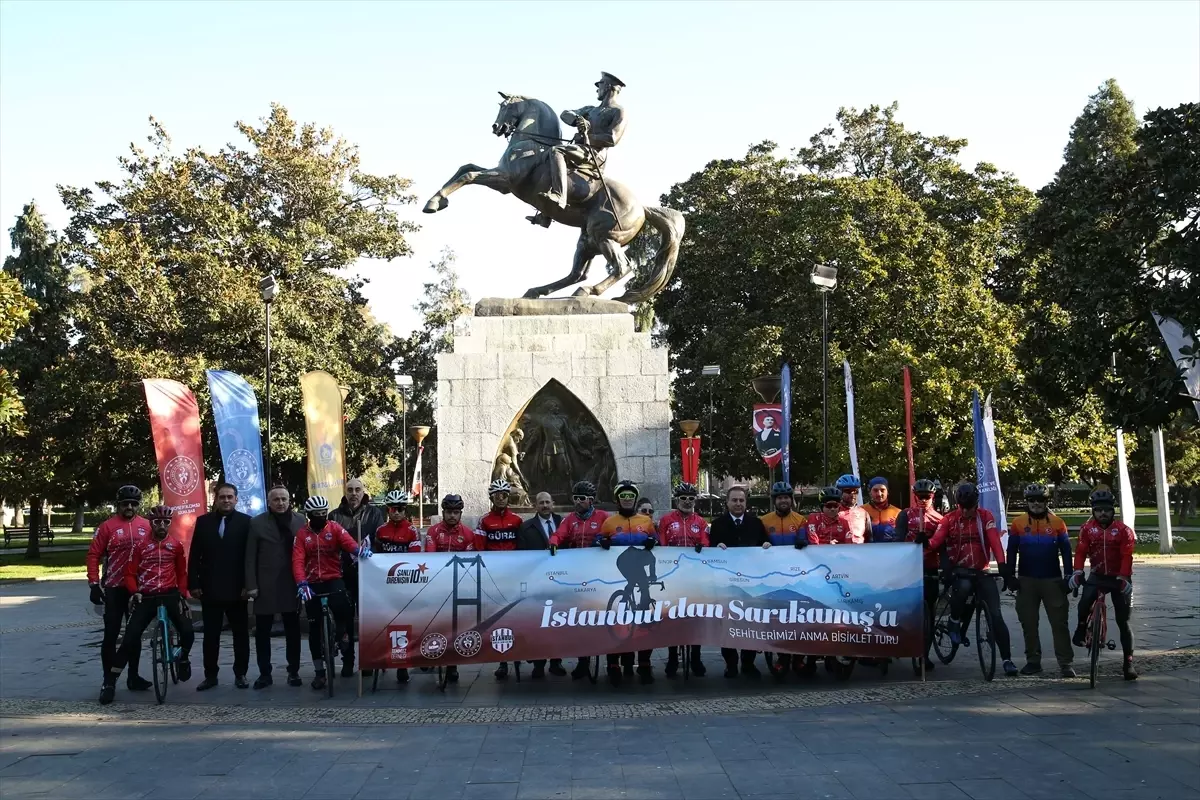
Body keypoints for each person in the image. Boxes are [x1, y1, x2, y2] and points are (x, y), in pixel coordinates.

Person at [99, 504, 194, 705]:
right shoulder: (140, 546)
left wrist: (182, 593)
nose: (161, 525)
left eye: (165, 522)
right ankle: (110, 682)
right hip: (147, 596)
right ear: (151, 523)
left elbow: (182, 572)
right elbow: (130, 574)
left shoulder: (175, 545)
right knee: (129, 639)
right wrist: (135, 592)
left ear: (170, 523)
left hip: (169, 594)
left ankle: (183, 658)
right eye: (157, 522)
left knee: (188, 631)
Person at [927, 482, 1019, 677]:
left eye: (971, 507)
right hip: (958, 569)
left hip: (980, 569)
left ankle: (1007, 660)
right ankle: (953, 620)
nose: (968, 511)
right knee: (964, 585)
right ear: (958, 504)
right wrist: (924, 542)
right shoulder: (949, 519)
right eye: (964, 507)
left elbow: (994, 541)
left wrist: (1002, 566)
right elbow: (936, 541)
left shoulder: (985, 516)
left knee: (995, 615)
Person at [532, 71, 627, 224]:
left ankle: (559, 196)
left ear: (609, 87)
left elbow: (612, 138)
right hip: (578, 150)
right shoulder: (590, 110)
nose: (597, 88)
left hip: (594, 154)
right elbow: (565, 114)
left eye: (600, 84)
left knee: (557, 151)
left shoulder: (618, 112)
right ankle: (545, 214)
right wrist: (577, 119)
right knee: (546, 161)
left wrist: (587, 136)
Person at [87, 485, 153, 694]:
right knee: (111, 634)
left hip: (138, 589)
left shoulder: (147, 525)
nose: (129, 508)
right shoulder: (107, 527)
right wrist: (93, 583)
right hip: (114, 587)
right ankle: (108, 680)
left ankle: (133, 676)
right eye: (125, 504)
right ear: (119, 505)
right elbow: (93, 555)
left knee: (134, 634)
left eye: (134, 504)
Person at [291, 495, 361, 691]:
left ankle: (343, 635)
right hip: (312, 582)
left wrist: (358, 551)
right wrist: (301, 582)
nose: (321, 517)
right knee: (314, 629)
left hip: (333, 577)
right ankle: (319, 672)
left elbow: (348, 543)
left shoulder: (334, 528)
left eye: (324, 513)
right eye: (317, 514)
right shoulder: (301, 535)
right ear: (309, 515)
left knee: (343, 608)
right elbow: (297, 560)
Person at [1006, 483, 1075, 678]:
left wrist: (1068, 576)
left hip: (1052, 579)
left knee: (1059, 623)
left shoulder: (1057, 523)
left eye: (1040, 500)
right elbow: (1011, 551)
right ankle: (1033, 661)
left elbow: (1066, 551)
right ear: (1026, 502)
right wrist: (1010, 575)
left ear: (1046, 501)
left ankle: (1065, 663)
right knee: (1028, 623)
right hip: (1026, 580)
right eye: (1032, 500)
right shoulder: (1018, 523)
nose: (1036, 503)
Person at [188, 481, 252, 691]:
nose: (226, 500)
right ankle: (210, 675)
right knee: (211, 636)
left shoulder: (247, 523)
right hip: (210, 589)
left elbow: (249, 558)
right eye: (222, 497)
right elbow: (195, 555)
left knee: (240, 635)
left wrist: (247, 585)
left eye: (229, 497)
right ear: (215, 499)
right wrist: (193, 583)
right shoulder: (203, 522)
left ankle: (240, 674)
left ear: (236, 499)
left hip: (237, 590)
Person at [1070, 488, 1137, 680]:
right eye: (1098, 510)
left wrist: (1124, 578)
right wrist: (1077, 572)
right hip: (1098, 575)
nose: (1102, 513)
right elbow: (1081, 552)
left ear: (1113, 510)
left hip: (1119, 578)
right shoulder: (1087, 529)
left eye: (1106, 509)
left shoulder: (1124, 530)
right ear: (1093, 511)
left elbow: (1127, 555)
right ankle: (1082, 627)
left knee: (1123, 621)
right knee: (1084, 603)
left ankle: (1128, 662)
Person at [599, 479, 659, 685]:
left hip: (639, 563)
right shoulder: (609, 523)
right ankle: (614, 664)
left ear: (634, 499)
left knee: (644, 608)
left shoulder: (646, 521)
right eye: (623, 496)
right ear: (617, 499)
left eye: (630, 496)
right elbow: (594, 545)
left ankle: (644, 664)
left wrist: (655, 541)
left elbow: (657, 547)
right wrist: (601, 542)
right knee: (617, 617)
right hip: (621, 563)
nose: (627, 499)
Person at [245, 485, 305, 690]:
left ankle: (294, 671)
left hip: (292, 583)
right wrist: (251, 585)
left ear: (290, 501)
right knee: (262, 632)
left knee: (293, 630)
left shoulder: (300, 521)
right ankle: (264, 673)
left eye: (284, 499)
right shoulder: (256, 523)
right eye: (276, 499)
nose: (280, 503)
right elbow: (250, 557)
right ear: (269, 502)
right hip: (265, 585)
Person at [549, 481, 609, 680]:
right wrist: (554, 542)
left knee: (599, 620)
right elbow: (560, 534)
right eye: (575, 498)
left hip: (599, 576)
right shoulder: (570, 519)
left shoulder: (602, 517)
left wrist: (606, 541)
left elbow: (611, 535)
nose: (577, 502)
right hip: (577, 577)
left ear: (591, 500)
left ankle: (610, 661)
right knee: (582, 621)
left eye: (581, 498)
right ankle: (583, 661)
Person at [710, 485, 771, 678]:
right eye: (734, 500)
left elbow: (765, 544)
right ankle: (731, 663)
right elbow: (708, 550)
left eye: (741, 500)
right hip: (726, 584)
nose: (738, 503)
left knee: (751, 622)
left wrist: (767, 546)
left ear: (746, 502)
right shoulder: (718, 524)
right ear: (727, 502)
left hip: (751, 584)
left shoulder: (756, 523)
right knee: (727, 623)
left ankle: (748, 663)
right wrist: (714, 547)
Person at [330, 477, 385, 677]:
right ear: (345, 492)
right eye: (350, 490)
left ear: (363, 492)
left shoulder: (374, 513)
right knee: (344, 621)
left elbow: (381, 541)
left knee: (367, 620)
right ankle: (347, 660)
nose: (354, 493)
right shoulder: (334, 515)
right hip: (343, 575)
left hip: (368, 576)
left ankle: (368, 659)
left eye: (357, 490)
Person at [656, 482, 709, 677]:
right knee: (671, 618)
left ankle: (696, 657)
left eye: (691, 498)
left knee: (695, 618)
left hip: (695, 577)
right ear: (676, 500)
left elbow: (705, 541)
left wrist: (702, 545)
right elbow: (661, 544)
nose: (687, 502)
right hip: (672, 576)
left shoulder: (701, 522)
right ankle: (672, 658)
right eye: (683, 498)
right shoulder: (666, 520)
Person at [758, 481, 809, 676]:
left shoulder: (800, 520)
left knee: (798, 618)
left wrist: (803, 542)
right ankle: (782, 657)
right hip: (772, 577)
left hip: (796, 577)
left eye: (786, 497)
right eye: (780, 498)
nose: (783, 500)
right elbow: (758, 543)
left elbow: (806, 541)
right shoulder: (764, 520)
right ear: (774, 501)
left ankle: (798, 658)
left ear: (791, 499)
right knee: (777, 620)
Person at [894, 478, 944, 671]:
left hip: (930, 568)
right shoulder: (905, 515)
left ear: (933, 497)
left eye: (927, 497)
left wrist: (945, 570)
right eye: (920, 497)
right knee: (907, 614)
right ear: (914, 496)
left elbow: (944, 548)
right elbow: (898, 540)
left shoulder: (940, 519)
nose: (923, 500)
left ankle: (925, 654)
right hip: (909, 569)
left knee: (929, 615)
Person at [476, 479, 524, 680]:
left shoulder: (517, 520)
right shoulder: (484, 521)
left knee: (518, 616)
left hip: (514, 575)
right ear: (492, 497)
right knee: (500, 618)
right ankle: (502, 661)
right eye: (497, 495)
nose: (501, 498)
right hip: (495, 576)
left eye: (504, 495)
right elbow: (479, 548)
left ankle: (519, 655)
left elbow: (523, 546)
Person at [425, 494, 474, 683]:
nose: (452, 516)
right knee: (434, 623)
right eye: (448, 512)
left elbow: (468, 563)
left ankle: (452, 664)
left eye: (456, 512)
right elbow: (431, 557)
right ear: (443, 512)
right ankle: (429, 653)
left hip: (458, 584)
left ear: (460, 513)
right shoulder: (433, 531)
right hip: (438, 584)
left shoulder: (468, 534)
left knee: (455, 626)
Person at [518, 492, 566, 679]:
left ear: (553, 503)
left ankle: (556, 662)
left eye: (547, 502)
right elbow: (521, 555)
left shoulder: (564, 523)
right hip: (537, 582)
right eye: (541, 503)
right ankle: (538, 664)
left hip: (560, 582)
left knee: (557, 623)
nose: (545, 505)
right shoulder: (526, 527)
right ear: (535, 506)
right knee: (538, 624)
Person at [864, 477, 902, 542]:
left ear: (887, 492)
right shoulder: (861, 511)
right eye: (875, 490)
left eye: (882, 490)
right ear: (870, 492)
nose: (879, 494)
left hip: (890, 550)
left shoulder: (898, 512)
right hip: (868, 550)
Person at [835, 474, 871, 543]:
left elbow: (869, 538)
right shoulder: (833, 512)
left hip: (859, 551)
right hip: (840, 551)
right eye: (848, 491)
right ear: (840, 492)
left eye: (855, 491)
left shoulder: (864, 513)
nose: (852, 494)